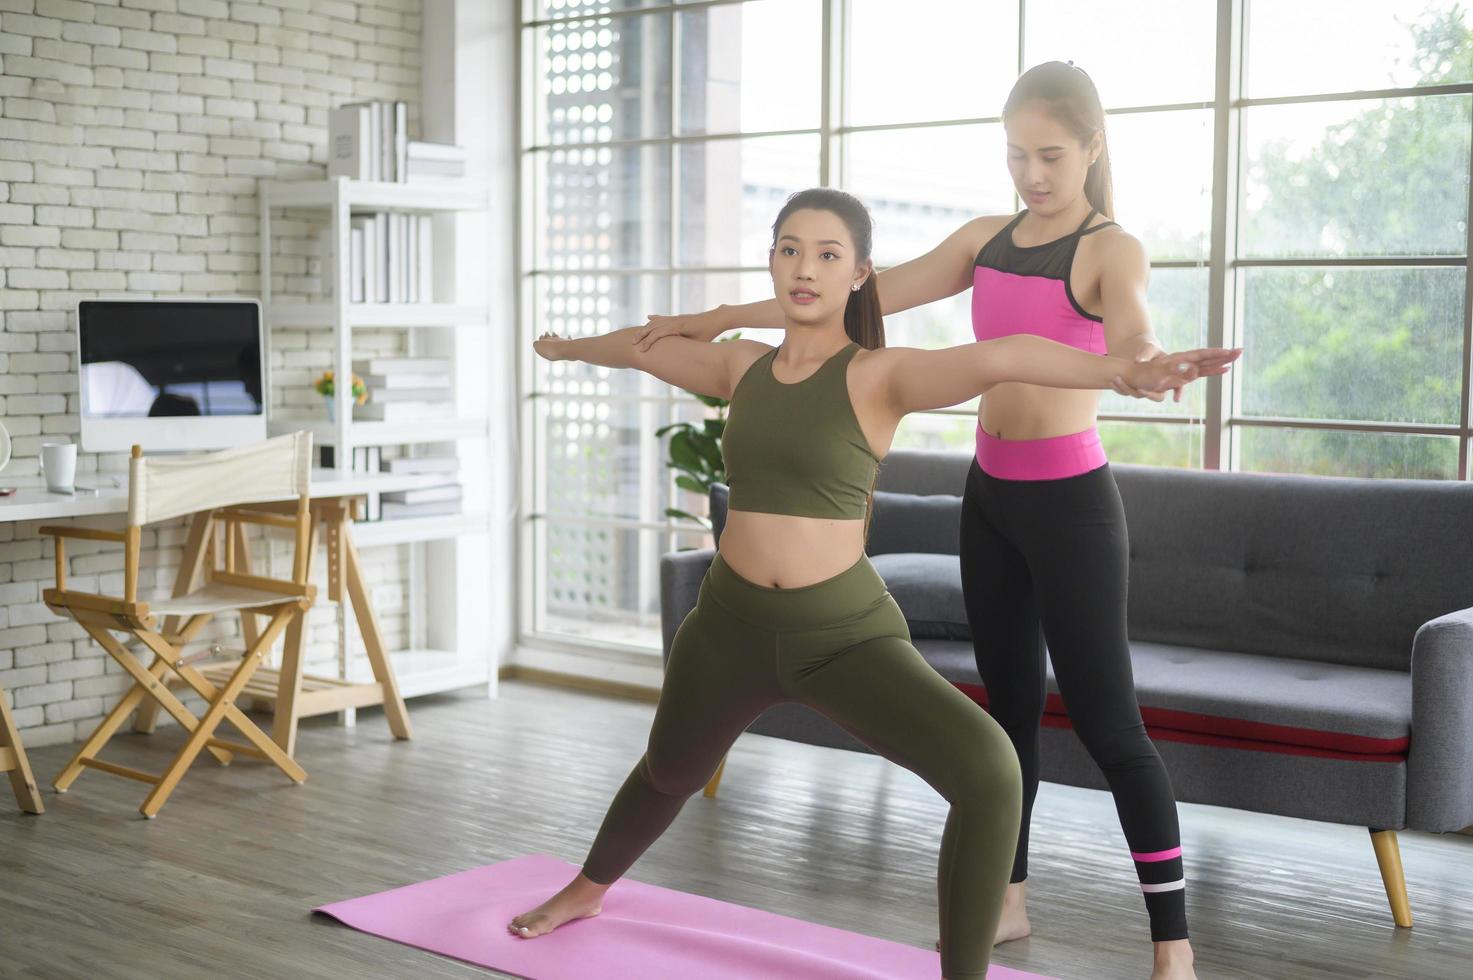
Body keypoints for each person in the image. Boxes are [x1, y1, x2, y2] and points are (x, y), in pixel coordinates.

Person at [511, 186, 1238, 980]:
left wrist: (1119, 372)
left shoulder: (880, 376)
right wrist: (571, 349)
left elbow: (1005, 356)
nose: (804, 268)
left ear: (860, 275)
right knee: (667, 772)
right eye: (789, 249)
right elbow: (643, 349)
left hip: (841, 636)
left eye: (827, 255)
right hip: (728, 626)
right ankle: (586, 888)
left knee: (990, 770)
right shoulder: (739, 366)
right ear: (771, 262)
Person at [633, 61, 1204, 980]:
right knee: (1007, 708)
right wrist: (717, 316)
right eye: (1016, 155)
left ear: (1092, 147)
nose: (1032, 174)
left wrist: (1144, 360)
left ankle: (1171, 942)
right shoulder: (985, 238)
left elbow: (1133, 326)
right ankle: (1006, 901)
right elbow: (859, 296)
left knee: (1107, 724)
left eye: (1050, 155)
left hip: (1071, 509)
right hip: (993, 500)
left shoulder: (1109, 249)